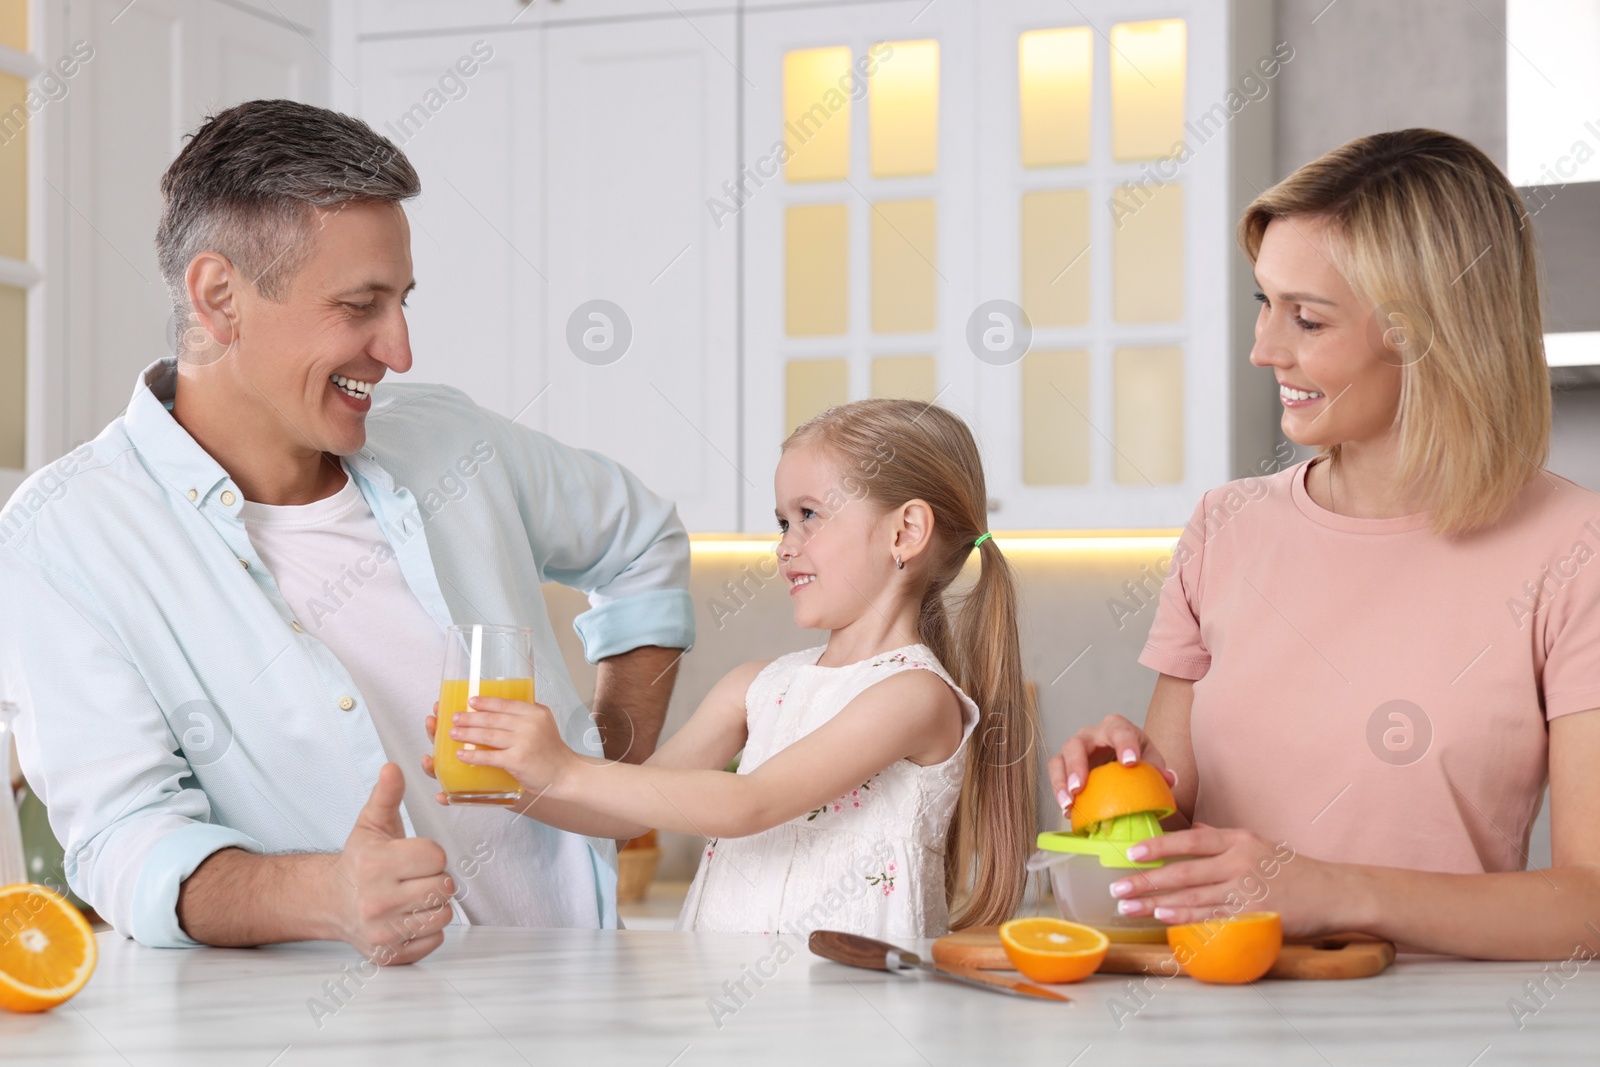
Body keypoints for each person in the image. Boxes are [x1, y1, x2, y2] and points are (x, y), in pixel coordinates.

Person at [0, 100, 693, 965]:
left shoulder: (454, 441)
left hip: (591, 999)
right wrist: (325, 893)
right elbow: (122, 841)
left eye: (401, 301)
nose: (398, 349)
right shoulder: (66, 539)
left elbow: (645, 545)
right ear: (220, 297)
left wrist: (602, 773)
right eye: (361, 306)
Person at [1049, 129, 1600, 959]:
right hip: (1217, 1019)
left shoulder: (1573, 548)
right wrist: (1120, 794)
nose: (1264, 348)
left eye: (1306, 317)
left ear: (1427, 331)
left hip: (1440, 1029)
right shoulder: (1223, 528)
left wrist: (1336, 889)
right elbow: (1172, 845)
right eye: (1264, 302)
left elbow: (1589, 906)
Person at [424, 399, 1038, 937]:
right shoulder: (755, 687)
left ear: (905, 532)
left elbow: (750, 803)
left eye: (810, 515)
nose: (785, 545)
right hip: (734, 1007)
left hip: (855, 1011)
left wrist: (561, 764)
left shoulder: (914, 696)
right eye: (782, 521)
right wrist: (514, 781)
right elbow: (620, 815)